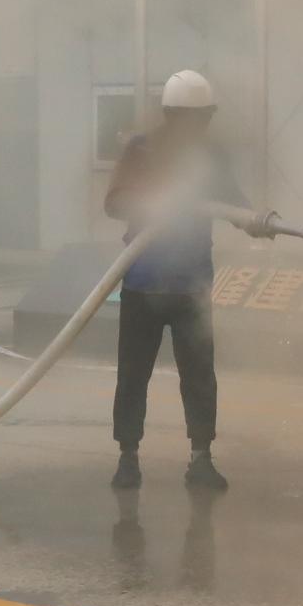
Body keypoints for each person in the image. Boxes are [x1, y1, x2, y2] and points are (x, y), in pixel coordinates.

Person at [102, 69, 275, 491]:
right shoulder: (142, 150)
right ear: (172, 116)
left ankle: (201, 458)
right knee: (133, 376)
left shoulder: (212, 158)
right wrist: (154, 205)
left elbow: (233, 203)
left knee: (199, 376)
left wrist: (257, 221)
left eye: (204, 118)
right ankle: (128, 458)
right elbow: (114, 202)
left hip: (191, 287)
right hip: (143, 282)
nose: (199, 127)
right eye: (193, 118)